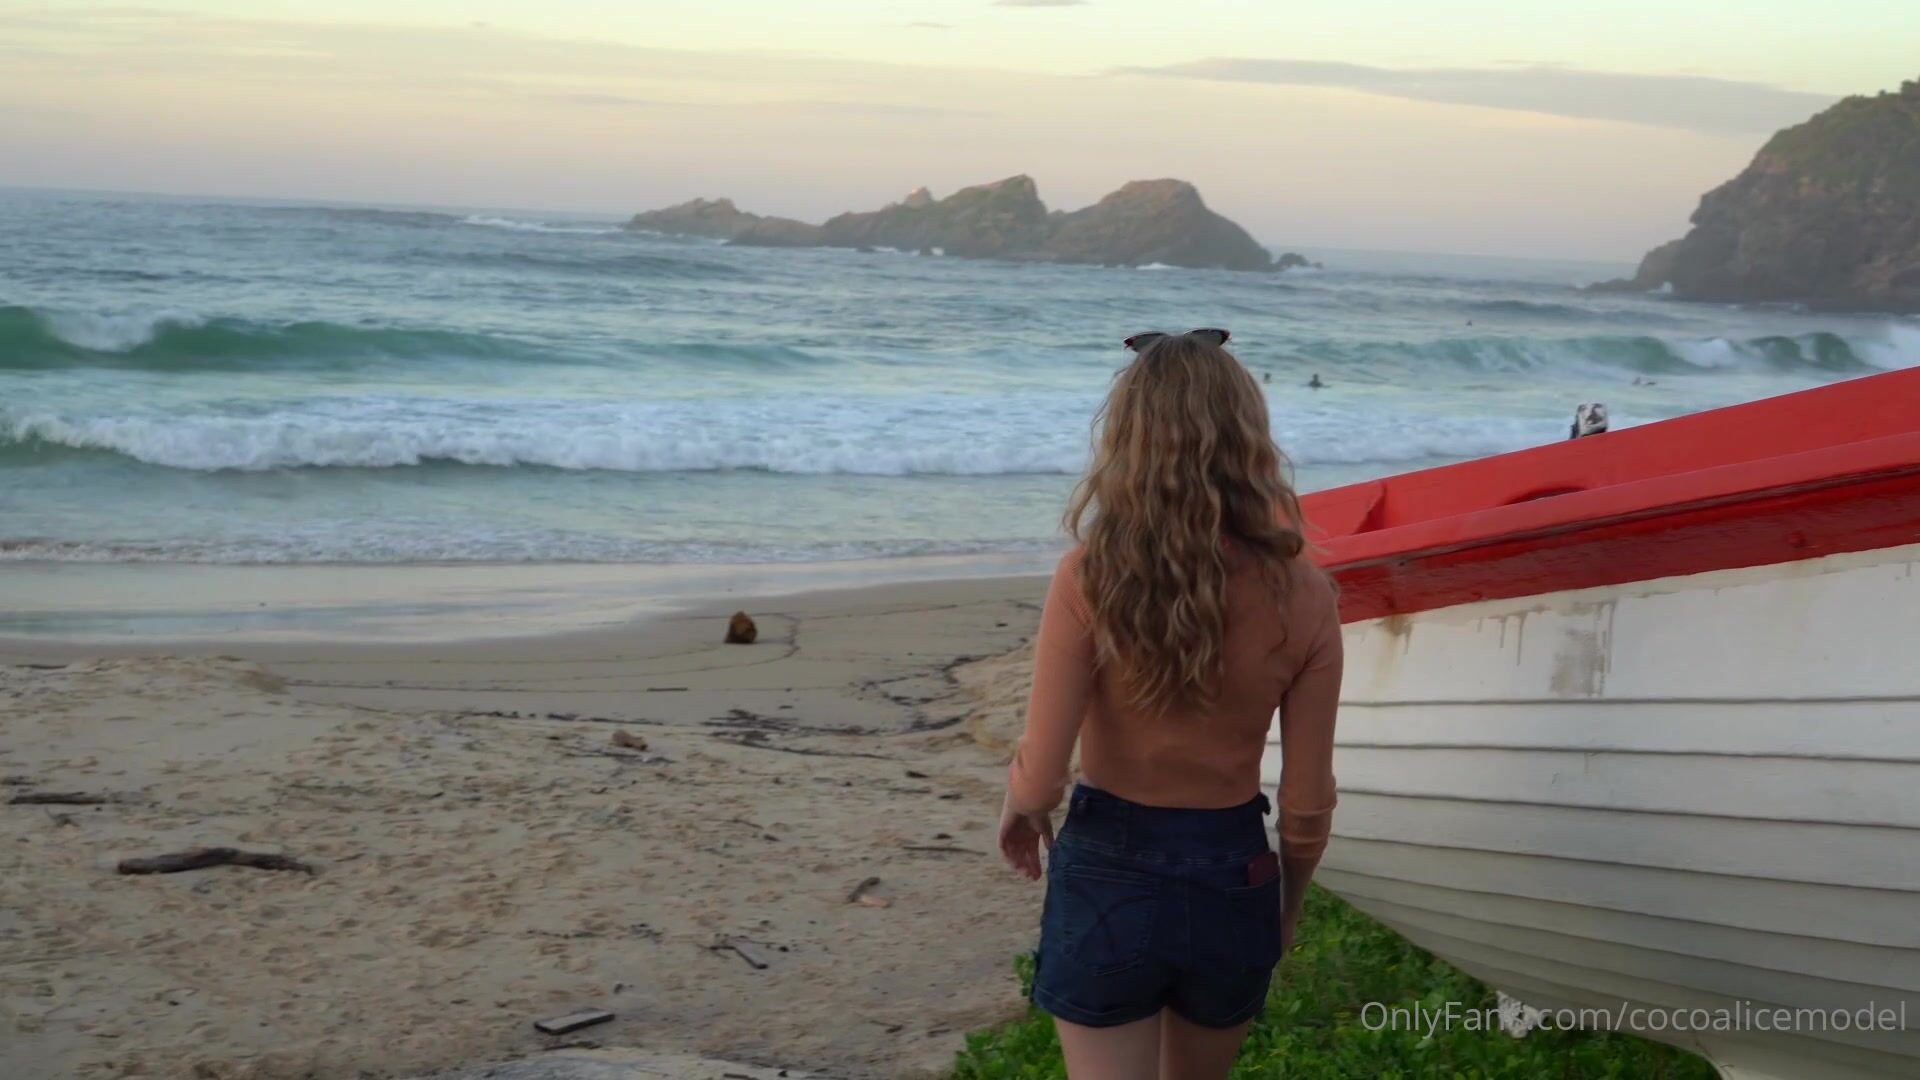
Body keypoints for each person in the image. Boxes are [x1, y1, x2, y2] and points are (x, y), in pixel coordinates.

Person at [999, 328, 1343, 1080]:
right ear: (1248, 439)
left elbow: (1044, 771)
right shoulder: (1306, 594)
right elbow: (1308, 803)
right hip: (1233, 873)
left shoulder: (1090, 576)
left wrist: (1022, 806)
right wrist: (1285, 905)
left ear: (1128, 440)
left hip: (1108, 868)